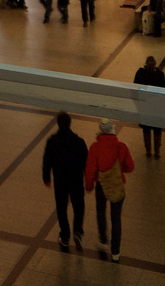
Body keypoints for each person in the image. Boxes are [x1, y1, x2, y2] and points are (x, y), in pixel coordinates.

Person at [84, 119, 134, 263]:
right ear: (112, 129)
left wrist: (88, 186)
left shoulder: (95, 147)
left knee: (101, 212)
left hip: (101, 186)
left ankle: (103, 240)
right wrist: (118, 171)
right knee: (116, 218)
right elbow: (130, 167)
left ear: (100, 130)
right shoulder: (121, 147)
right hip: (117, 186)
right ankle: (115, 252)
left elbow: (90, 169)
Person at [42, 111, 88, 252]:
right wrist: (89, 178)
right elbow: (86, 161)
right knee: (78, 205)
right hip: (76, 179)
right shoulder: (79, 142)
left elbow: (47, 160)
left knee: (61, 208)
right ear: (70, 123)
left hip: (60, 179)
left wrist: (46, 177)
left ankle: (65, 236)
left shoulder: (52, 141)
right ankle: (78, 231)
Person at [133, 55, 165, 159]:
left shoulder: (140, 74)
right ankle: (157, 152)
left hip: (145, 105)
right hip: (156, 106)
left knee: (146, 129)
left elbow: (135, 88)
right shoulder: (160, 75)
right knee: (157, 130)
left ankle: (148, 150)